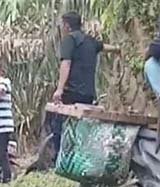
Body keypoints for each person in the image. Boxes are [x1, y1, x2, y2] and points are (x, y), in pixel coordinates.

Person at [51, 12, 120, 155]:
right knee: (82, 128)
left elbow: (66, 64)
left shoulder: (69, 40)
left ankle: (60, 159)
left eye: (63, 25)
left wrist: (59, 89)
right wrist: (117, 49)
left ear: (67, 26)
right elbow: (103, 47)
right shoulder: (90, 41)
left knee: (59, 127)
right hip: (88, 94)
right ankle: (79, 156)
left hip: (71, 92)